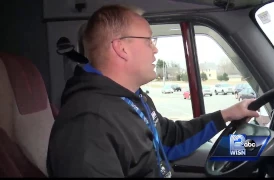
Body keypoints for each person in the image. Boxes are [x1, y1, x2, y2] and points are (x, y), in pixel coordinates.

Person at [46, 4, 259, 178]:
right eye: (149, 40)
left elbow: (170, 140)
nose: (155, 49)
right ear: (122, 48)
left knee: (255, 149)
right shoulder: (87, 124)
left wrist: (227, 115)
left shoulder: (133, 97)